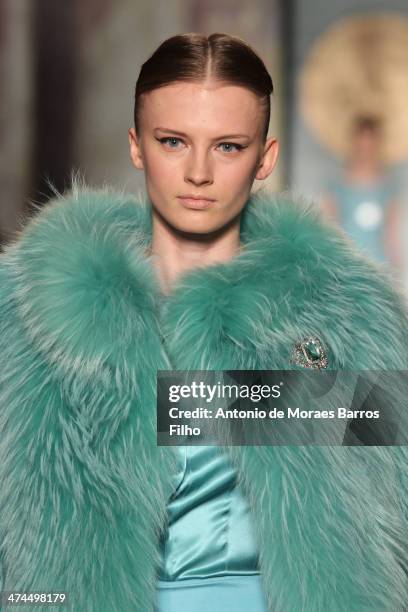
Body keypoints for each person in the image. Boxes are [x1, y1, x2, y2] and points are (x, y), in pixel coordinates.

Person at [0, 32, 408, 612]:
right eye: (173, 141)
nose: (197, 172)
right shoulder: (26, 310)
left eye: (227, 147)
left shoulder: (348, 315)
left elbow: (394, 500)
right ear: (138, 146)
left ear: (264, 158)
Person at [321, 115, 404, 271]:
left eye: (370, 145)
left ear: (377, 145)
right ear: (354, 144)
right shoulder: (337, 185)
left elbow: (390, 235)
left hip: (379, 267)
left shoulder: (388, 188)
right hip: (347, 266)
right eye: (362, 144)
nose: (366, 151)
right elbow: (330, 229)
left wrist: (395, 272)